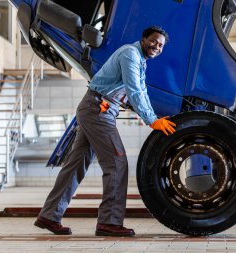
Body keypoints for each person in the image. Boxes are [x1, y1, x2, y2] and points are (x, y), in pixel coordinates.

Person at [34, 26, 176, 237]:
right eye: (154, 41)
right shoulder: (130, 53)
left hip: (95, 109)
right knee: (117, 162)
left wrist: (154, 116)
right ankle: (109, 222)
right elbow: (134, 88)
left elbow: (141, 92)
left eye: (161, 45)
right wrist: (151, 120)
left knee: (76, 165)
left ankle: (49, 215)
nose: (157, 46)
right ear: (144, 38)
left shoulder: (140, 60)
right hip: (98, 110)